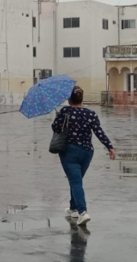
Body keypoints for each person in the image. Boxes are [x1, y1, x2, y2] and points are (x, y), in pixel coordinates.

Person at [51, 86, 116, 227]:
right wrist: (109, 146)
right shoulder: (90, 114)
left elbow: (55, 128)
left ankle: (83, 212)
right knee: (77, 181)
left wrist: (58, 119)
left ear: (69, 99)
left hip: (69, 152)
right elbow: (99, 132)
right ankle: (73, 209)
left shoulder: (65, 112)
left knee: (75, 182)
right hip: (87, 152)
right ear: (81, 98)